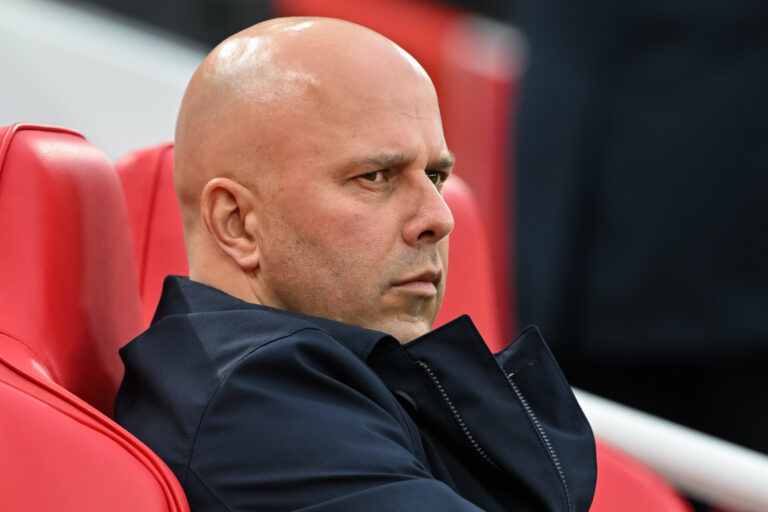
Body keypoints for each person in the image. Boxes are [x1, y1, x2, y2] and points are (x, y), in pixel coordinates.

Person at [115, 17, 596, 511]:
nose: (439, 217)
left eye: (435, 175)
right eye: (375, 176)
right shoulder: (255, 408)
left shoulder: (311, 378)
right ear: (237, 223)